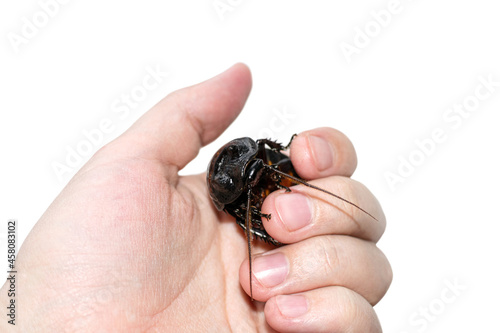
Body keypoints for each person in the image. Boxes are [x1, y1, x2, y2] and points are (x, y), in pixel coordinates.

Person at [0, 64, 391, 332]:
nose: (258, 179)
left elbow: (265, 151)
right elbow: (239, 204)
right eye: (253, 180)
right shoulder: (232, 202)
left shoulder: (259, 160)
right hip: (231, 195)